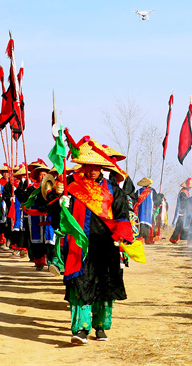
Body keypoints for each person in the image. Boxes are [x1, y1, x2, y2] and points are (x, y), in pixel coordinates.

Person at [48, 137, 134, 344]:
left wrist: (121, 237)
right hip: (80, 244)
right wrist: (59, 201)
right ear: (84, 166)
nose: (92, 170)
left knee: (104, 285)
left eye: (96, 166)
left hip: (106, 244)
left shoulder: (114, 190)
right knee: (81, 285)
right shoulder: (72, 187)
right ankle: (80, 329)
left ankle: (101, 326)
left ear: (102, 168)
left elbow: (122, 216)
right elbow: (56, 215)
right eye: (88, 165)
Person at [170, 178, 192, 243]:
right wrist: (191, 198)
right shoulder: (183, 193)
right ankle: (173, 239)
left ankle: (188, 239)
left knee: (182, 226)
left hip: (186, 212)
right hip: (182, 212)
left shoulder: (186, 192)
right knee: (179, 226)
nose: (191, 188)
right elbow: (184, 202)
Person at [135, 177, 157, 244]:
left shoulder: (138, 191)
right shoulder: (152, 191)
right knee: (149, 224)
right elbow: (156, 201)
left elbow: (135, 201)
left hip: (140, 211)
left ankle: (140, 239)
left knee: (140, 223)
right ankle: (148, 239)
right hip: (149, 211)